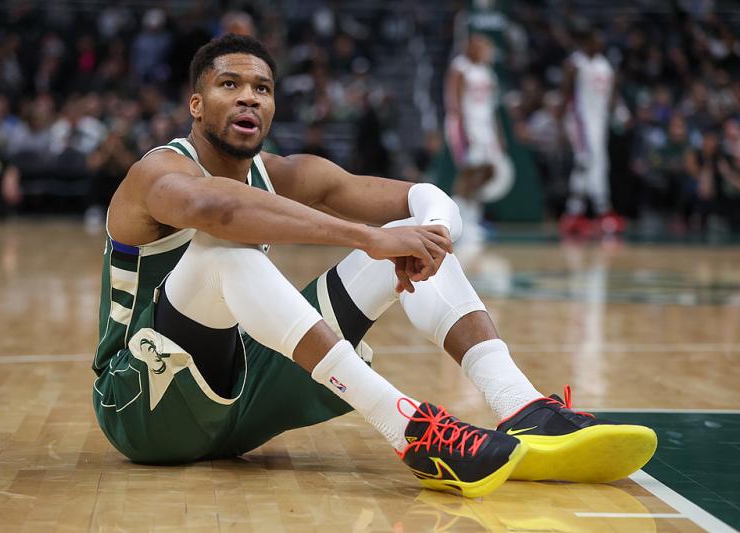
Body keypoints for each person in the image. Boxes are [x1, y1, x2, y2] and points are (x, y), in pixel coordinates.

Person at [92, 34, 656, 498]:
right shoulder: (158, 172)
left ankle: (521, 405)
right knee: (223, 250)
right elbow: (216, 210)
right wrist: (365, 237)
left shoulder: (280, 171)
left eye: (262, 88)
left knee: (408, 236)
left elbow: (423, 198)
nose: (249, 99)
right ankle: (409, 428)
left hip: (240, 400)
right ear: (196, 104)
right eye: (229, 85)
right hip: (143, 408)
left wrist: (428, 235)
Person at [559, 30, 624, 236]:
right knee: (585, 162)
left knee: (600, 165)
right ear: (586, 42)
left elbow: (611, 95)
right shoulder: (575, 63)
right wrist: (560, 121)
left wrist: (620, 113)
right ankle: (575, 213)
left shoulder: (605, 65)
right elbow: (565, 92)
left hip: (599, 122)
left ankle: (597, 211)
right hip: (581, 121)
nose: (599, 44)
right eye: (595, 41)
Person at [444, 34, 507, 243]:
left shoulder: (488, 72)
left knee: (488, 170)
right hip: (466, 125)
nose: (488, 53)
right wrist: (463, 130)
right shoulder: (460, 67)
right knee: (469, 172)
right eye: (484, 48)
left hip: (485, 126)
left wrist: (498, 134)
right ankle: (460, 218)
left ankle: (471, 216)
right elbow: (453, 101)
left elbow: (492, 107)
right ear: (471, 48)